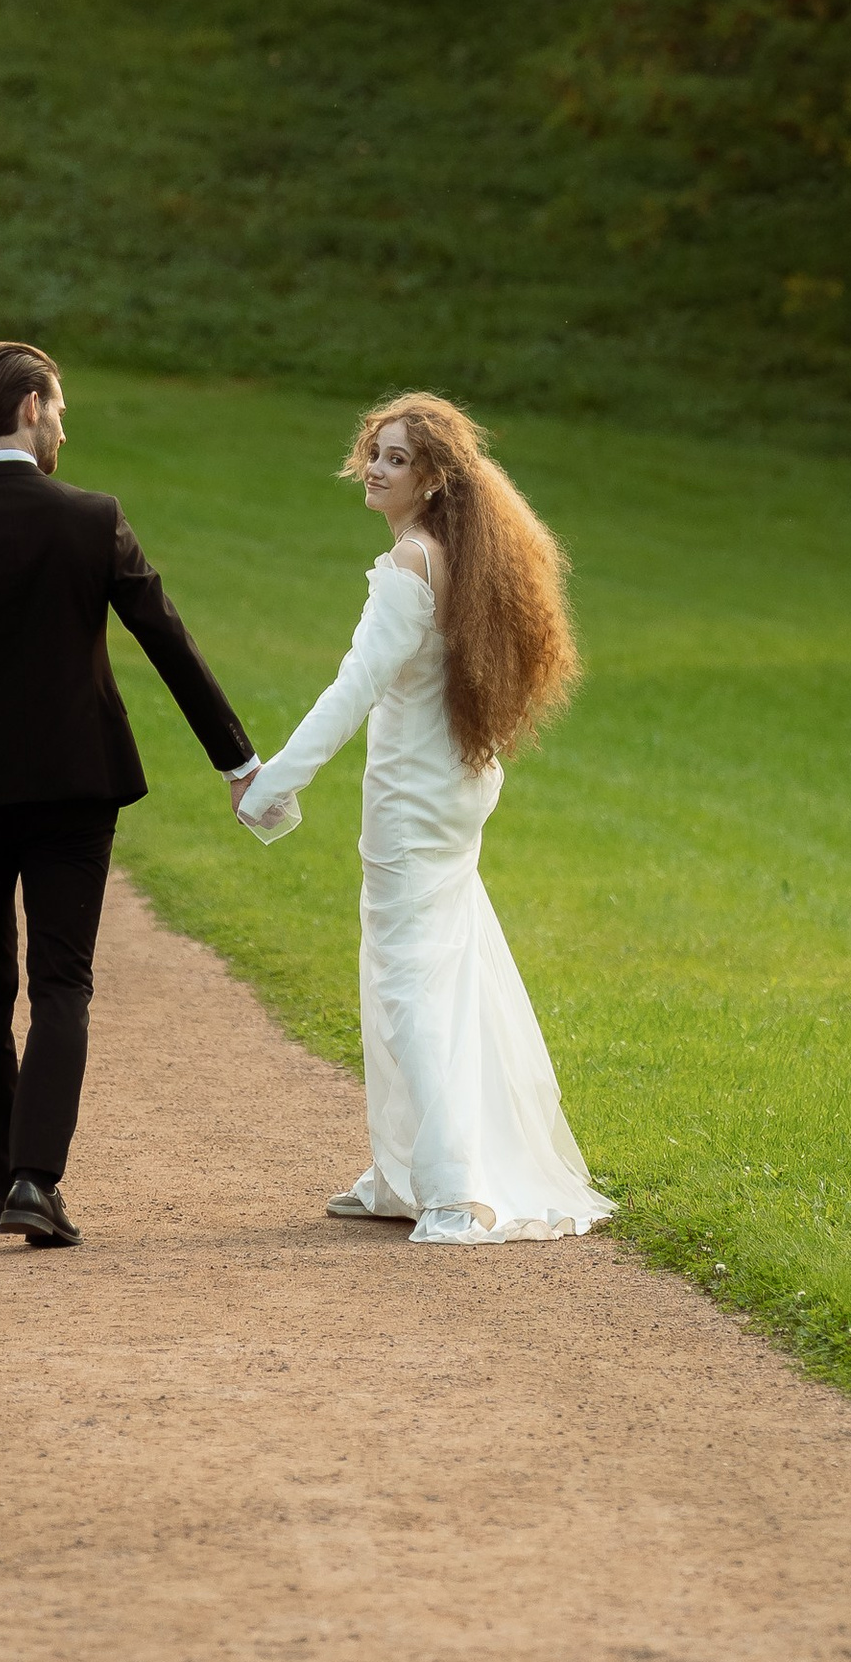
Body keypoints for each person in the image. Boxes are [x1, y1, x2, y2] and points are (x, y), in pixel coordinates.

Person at [0, 339, 259, 1249]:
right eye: (62, 410)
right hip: (76, 787)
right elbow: (167, 639)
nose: (65, 428)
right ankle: (35, 1184)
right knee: (61, 982)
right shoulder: (92, 519)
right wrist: (235, 760)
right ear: (36, 408)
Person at [235, 392, 612, 1247]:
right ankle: (402, 1172)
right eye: (375, 450)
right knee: (430, 971)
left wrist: (269, 784)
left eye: (396, 457)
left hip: (413, 805)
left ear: (434, 476)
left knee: (407, 985)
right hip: (454, 792)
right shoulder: (460, 557)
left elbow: (353, 692)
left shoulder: (412, 564)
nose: (374, 466)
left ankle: (454, 1191)